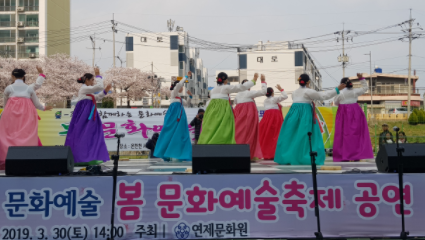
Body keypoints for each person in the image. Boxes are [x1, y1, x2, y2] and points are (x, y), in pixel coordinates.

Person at [274, 74, 346, 165]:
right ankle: (304, 158)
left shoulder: (294, 92)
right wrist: (337, 89)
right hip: (305, 113)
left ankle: (288, 157)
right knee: (306, 136)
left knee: (291, 135)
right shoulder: (308, 91)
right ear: (308, 82)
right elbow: (323, 96)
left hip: (292, 114)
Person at [0, 68, 52, 170]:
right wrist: (44, 108)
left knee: (9, 135)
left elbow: (5, 104)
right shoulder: (29, 88)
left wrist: (4, 115)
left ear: (12, 76)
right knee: (27, 134)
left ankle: (9, 157)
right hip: (27, 114)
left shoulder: (9, 88)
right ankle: (27, 158)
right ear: (24, 77)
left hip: (10, 114)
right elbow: (37, 104)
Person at [65, 68, 112, 166]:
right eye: (92, 80)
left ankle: (92, 156)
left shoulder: (87, 91)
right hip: (85, 114)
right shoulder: (84, 88)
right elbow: (99, 87)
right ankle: (81, 157)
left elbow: (96, 97)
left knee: (92, 134)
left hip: (90, 113)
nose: (93, 82)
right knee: (83, 135)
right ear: (86, 80)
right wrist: (98, 75)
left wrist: (105, 91)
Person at [198, 72, 257, 144]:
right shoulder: (225, 88)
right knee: (224, 129)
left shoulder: (212, 91)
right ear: (226, 81)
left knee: (211, 128)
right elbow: (240, 87)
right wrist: (253, 80)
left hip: (211, 112)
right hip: (223, 111)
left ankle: (207, 146)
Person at [333, 73, 374, 162]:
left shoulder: (340, 93)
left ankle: (344, 156)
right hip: (356, 112)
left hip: (343, 113)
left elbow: (336, 103)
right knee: (356, 135)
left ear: (342, 85)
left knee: (343, 135)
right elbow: (365, 88)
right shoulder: (355, 91)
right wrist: (361, 79)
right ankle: (356, 156)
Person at [154, 71, 193, 161]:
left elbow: (187, 104)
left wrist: (190, 97)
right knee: (169, 133)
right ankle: (166, 153)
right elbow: (179, 84)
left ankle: (178, 154)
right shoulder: (173, 94)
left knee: (180, 135)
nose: (182, 88)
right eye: (181, 87)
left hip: (181, 117)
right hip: (174, 116)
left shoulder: (180, 98)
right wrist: (186, 76)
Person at [234, 75, 267, 161]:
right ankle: (248, 154)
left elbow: (235, 104)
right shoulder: (249, 93)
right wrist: (263, 81)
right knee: (250, 134)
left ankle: (237, 153)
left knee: (238, 133)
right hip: (249, 115)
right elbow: (264, 92)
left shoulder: (237, 95)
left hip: (238, 114)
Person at [259, 84, 288, 160]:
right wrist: (281, 89)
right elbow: (285, 96)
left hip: (267, 118)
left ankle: (266, 153)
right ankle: (275, 153)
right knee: (276, 135)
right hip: (275, 117)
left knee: (267, 136)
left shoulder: (265, 101)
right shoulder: (274, 99)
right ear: (272, 93)